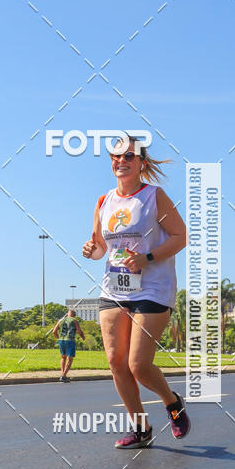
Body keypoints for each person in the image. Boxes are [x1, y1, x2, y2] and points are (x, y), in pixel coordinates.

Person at [82, 137, 191, 448]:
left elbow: (180, 236)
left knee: (139, 365)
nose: (121, 160)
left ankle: (172, 403)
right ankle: (141, 429)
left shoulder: (154, 196)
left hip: (152, 287)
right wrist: (91, 249)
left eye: (129, 155)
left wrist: (147, 257)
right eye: (116, 156)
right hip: (115, 287)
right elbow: (100, 247)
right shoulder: (103, 202)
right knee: (116, 362)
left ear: (142, 162)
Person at [52, 309, 85, 382]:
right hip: (70, 340)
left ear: (67, 314)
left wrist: (58, 338)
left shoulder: (60, 320)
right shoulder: (75, 321)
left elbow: (54, 332)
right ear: (74, 315)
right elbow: (79, 331)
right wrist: (83, 337)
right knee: (70, 359)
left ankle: (63, 374)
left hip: (61, 340)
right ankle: (63, 376)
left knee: (63, 357)